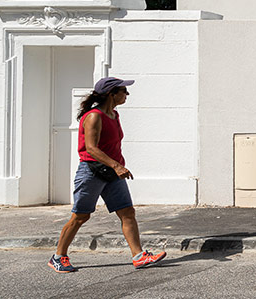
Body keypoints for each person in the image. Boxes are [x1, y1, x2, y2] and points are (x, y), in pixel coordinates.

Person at [48, 76, 167, 272]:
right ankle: (58, 256)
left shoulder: (114, 115)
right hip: (92, 171)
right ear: (111, 94)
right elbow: (91, 148)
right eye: (123, 91)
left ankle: (138, 256)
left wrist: (116, 166)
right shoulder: (94, 116)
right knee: (81, 216)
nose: (126, 95)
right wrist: (117, 166)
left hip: (111, 172)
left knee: (127, 212)